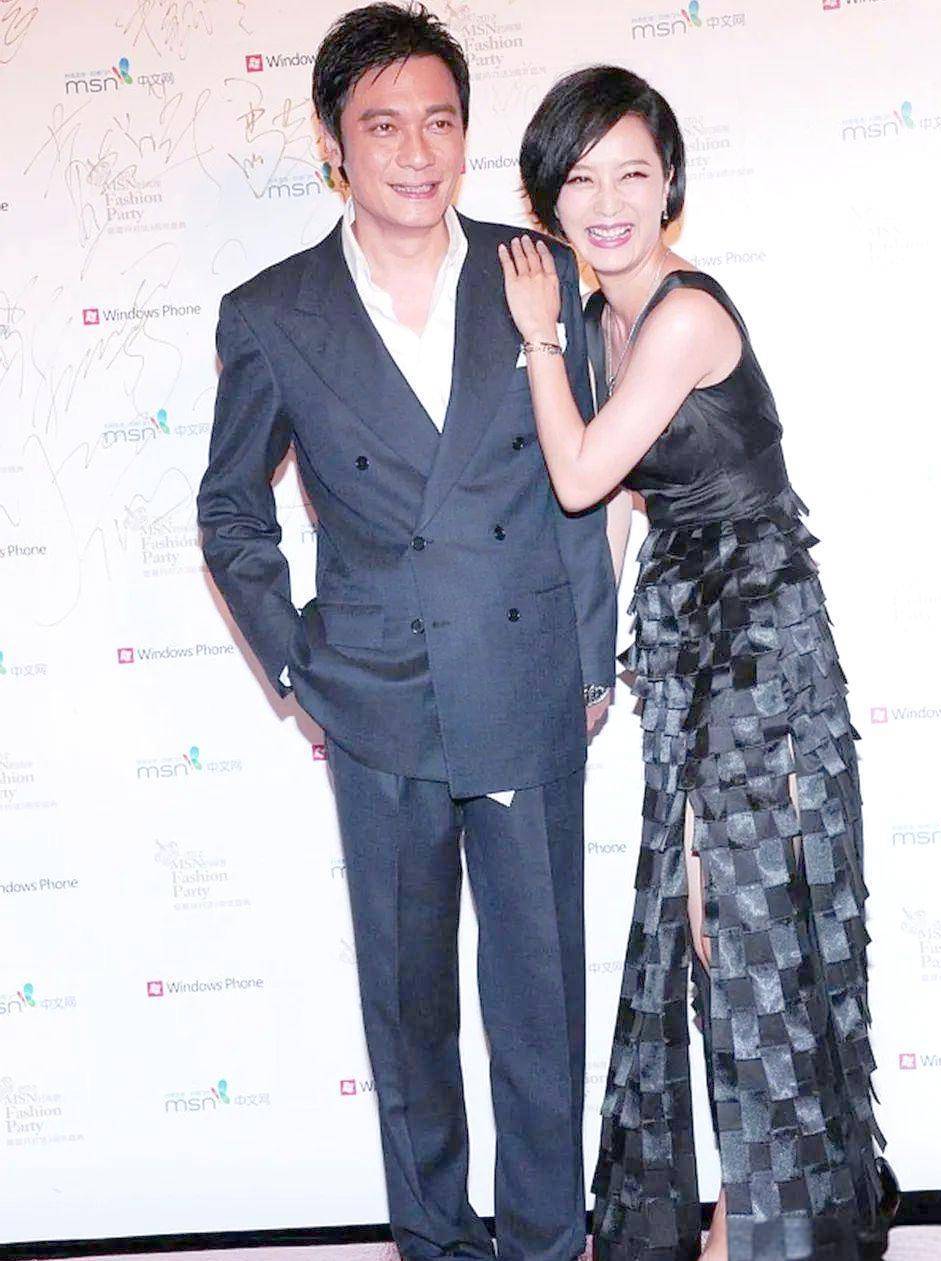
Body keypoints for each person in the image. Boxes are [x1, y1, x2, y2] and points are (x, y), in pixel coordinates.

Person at [197, 8, 616, 1261]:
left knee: (541, 1008)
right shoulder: (273, 312)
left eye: (440, 121)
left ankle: (547, 1245)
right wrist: (299, 666)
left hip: (528, 681)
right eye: (383, 126)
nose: (417, 152)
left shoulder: (537, 274)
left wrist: (591, 658)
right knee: (408, 1008)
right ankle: (435, 1245)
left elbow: (582, 482)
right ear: (334, 142)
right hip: (377, 700)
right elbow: (231, 509)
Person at [500, 66, 897, 1261]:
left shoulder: (677, 316)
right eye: (580, 180)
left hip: (761, 637)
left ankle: (763, 1224)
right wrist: (594, 663)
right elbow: (620, 509)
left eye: (631, 173)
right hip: (683, 629)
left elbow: (581, 473)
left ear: (669, 181)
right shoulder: (603, 323)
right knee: (695, 919)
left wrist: (534, 343)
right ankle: (757, 1210)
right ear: (549, 199)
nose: (607, 203)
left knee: (747, 918)